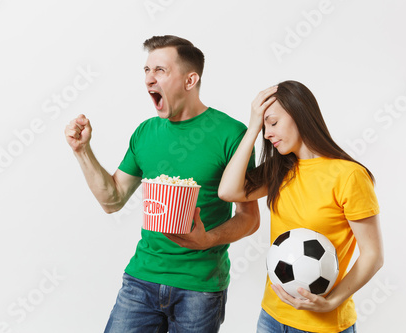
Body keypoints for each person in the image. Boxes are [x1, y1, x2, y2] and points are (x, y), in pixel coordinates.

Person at [64, 35, 260, 332]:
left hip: (200, 287)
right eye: (146, 70)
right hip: (141, 280)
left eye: (160, 70)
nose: (149, 79)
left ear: (190, 80)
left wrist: (207, 239)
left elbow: (249, 217)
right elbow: (112, 200)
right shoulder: (145, 132)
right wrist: (82, 151)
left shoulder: (232, 135)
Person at [218, 81, 384, 333]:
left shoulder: (349, 175)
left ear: (300, 114)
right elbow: (228, 191)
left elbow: (373, 255)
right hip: (271, 318)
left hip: (323, 325)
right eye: (264, 127)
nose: (267, 134)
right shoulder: (279, 171)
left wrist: (331, 302)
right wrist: (252, 127)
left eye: (273, 123)